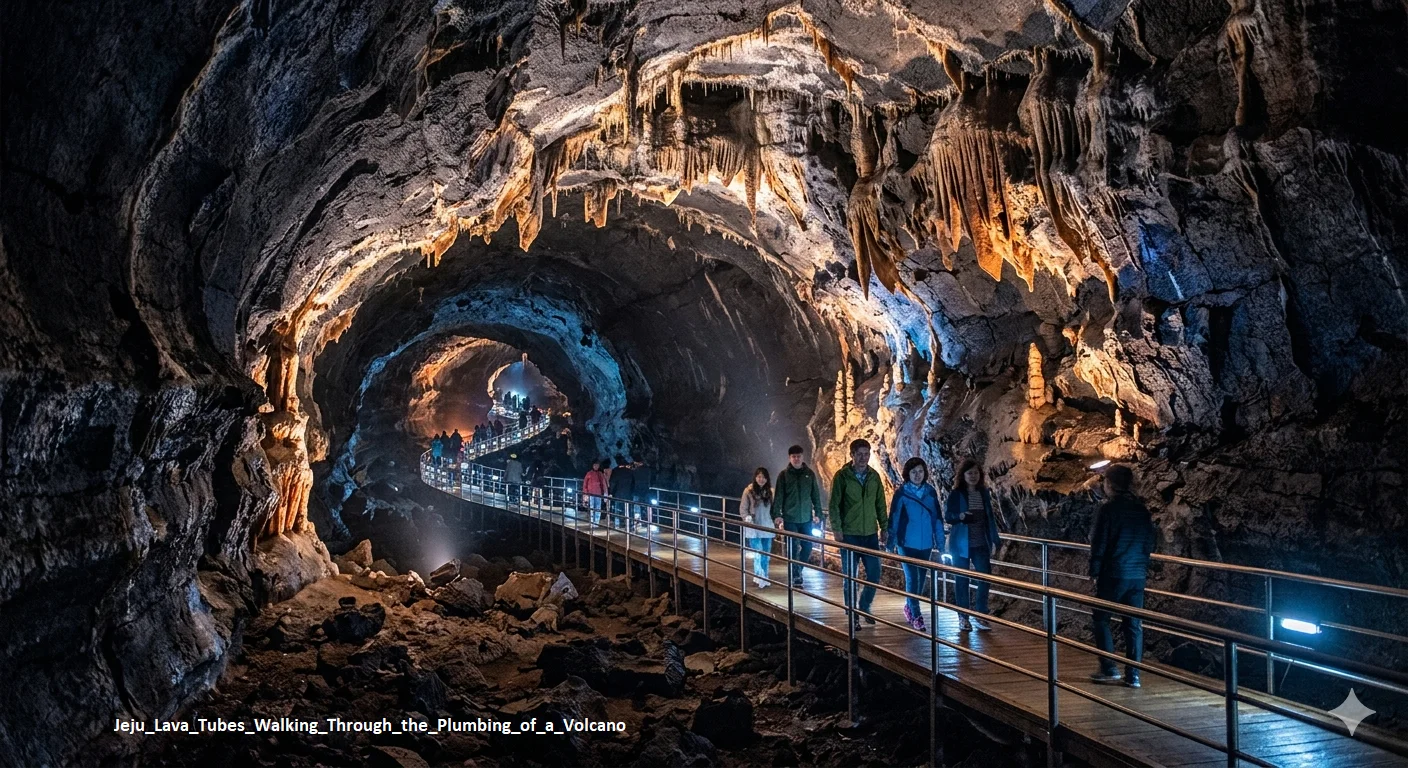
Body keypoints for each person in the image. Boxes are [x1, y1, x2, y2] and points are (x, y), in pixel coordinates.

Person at [1089, 464, 1157, 688]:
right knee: (1133, 624)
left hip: (1114, 572)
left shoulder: (1108, 510)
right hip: (1137, 573)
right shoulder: (1142, 510)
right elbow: (1150, 541)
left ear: (1109, 484)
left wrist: (1094, 570)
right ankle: (1133, 675)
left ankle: (1109, 667)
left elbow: (1099, 542)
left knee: (1101, 618)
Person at [829, 439, 888, 630]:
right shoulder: (842, 476)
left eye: (867, 453)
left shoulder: (874, 477)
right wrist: (836, 529)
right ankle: (852, 614)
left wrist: (884, 527)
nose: (864, 458)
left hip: (870, 533)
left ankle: (864, 605)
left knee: (874, 572)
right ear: (852, 455)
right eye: (860, 454)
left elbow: (880, 504)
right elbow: (834, 505)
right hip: (850, 534)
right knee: (850, 576)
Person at [889, 457, 944, 632]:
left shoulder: (931, 492)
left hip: (926, 544)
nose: (917, 475)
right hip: (906, 543)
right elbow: (895, 518)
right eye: (914, 472)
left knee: (921, 580)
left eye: (920, 471)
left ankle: (909, 606)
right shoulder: (902, 494)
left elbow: (937, 520)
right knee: (912, 578)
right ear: (908, 474)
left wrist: (941, 545)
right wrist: (891, 543)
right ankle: (917, 616)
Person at [945, 459, 1001, 631]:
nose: (973, 476)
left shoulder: (983, 493)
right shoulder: (956, 494)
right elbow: (948, 516)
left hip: (980, 542)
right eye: (969, 473)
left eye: (976, 473)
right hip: (960, 543)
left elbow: (989, 517)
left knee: (985, 577)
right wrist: (961, 516)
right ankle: (963, 617)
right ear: (963, 475)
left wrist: (994, 539)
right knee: (962, 579)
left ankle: (981, 613)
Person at [773, 445, 824, 588]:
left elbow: (815, 495)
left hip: (806, 518)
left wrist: (818, 513)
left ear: (802, 457)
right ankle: (796, 576)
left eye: (798, 456)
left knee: (807, 546)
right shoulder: (783, 475)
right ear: (789, 458)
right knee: (793, 548)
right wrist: (777, 514)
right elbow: (779, 496)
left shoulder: (810, 474)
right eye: (793, 456)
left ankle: (797, 571)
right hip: (790, 518)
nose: (796, 459)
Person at [740, 468, 778, 588]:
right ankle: (759, 575)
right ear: (755, 477)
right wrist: (746, 518)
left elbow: (775, 509)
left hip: (767, 525)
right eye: (759, 477)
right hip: (754, 526)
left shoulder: (771, 492)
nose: (761, 479)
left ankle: (764, 575)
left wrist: (777, 518)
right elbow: (743, 508)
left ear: (767, 479)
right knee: (758, 551)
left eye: (763, 477)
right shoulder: (748, 491)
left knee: (766, 553)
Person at [608, 456, 635, 528]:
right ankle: (630, 523)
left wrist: (610, 492)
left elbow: (612, 482)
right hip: (628, 493)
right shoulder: (630, 471)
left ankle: (622, 523)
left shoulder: (616, 471)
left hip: (618, 493)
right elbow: (633, 483)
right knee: (629, 509)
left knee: (620, 509)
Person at [583, 459, 609, 524]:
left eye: (597, 465)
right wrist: (585, 494)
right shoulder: (589, 474)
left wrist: (605, 493)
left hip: (598, 494)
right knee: (592, 508)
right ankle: (592, 522)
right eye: (595, 465)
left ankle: (596, 522)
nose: (596, 466)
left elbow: (604, 484)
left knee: (598, 508)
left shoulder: (600, 474)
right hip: (591, 493)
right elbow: (585, 484)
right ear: (593, 465)